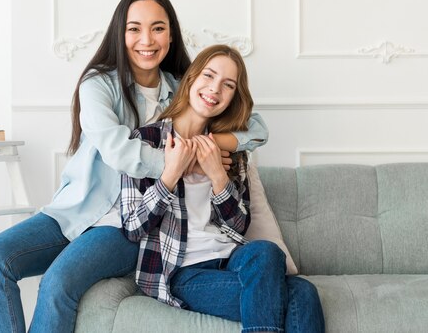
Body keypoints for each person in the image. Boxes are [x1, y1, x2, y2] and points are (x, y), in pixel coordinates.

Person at [0, 0, 269, 333]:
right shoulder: (99, 85)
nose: (147, 39)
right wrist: (181, 162)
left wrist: (213, 141)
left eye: (158, 28)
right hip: (79, 209)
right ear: (121, 33)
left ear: (171, 35)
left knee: (57, 284)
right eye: (134, 28)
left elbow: (257, 127)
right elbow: (119, 151)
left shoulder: (185, 85)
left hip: (129, 224)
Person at [121, 45, 324, 333]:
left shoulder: (232, 149)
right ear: (191, 79)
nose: (215, 89)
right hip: (183, 272)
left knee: (266, 252)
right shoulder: (147, 140)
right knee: (300, 294)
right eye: (209, 76)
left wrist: (218, 175)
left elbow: (239, 227)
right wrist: (170, 174)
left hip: (233, 261)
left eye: (228, 85)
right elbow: (132, 227)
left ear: (232, 98)